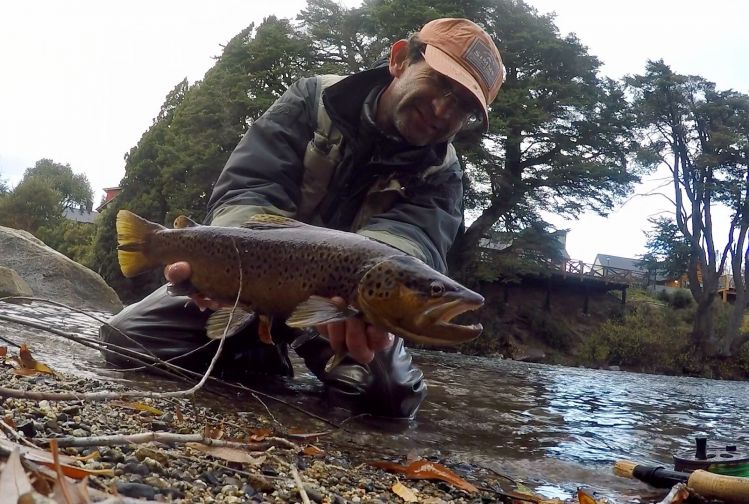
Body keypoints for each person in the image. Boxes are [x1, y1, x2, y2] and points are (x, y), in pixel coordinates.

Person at [100, 18, 504, 419]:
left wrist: (362, 300)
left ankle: (272, 358)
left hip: (346, 311)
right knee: (125, 340)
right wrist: (219, 268)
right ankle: (258, 350)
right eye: (440, 84)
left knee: (391, 400)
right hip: (252, 282)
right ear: (400, 59)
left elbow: (414, 247)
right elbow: (246, 188)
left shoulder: (443, 173)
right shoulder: (314, 99)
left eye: (463, 108)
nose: (442, 110)